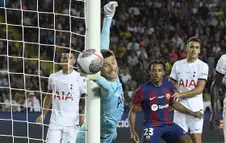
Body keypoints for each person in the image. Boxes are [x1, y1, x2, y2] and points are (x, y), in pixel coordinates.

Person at [76, 2, 124, 143]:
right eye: (106, 66)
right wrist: (89, 71)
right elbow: (100, 81)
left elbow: (104, 47)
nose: (112, 68)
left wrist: (108, 17)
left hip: (110, 133)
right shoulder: (106, 87)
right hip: (94, 137)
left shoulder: (113, 75)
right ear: (100, 68)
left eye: (113, 63)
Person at [128, 60, 203, 143]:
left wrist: (192, 113)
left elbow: (173, 103)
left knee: (188, 142)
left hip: (168, 124)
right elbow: (133, 112)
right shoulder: (141, 90)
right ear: (150, 72)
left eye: (159, 71)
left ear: (163, 72)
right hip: (151, 125)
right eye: (154, 70)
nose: (157, 73)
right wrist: (132, 131)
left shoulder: (169, 86)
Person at [35, 50, 87, 143]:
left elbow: (86, 97)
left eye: (70, 58)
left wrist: (83, 114)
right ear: (60, 60)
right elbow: (49, 96)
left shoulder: (79, 78)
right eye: (64, 58)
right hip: (55, 123)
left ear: (74, 61)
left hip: (72, 124)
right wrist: (43, 114)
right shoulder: (53, 77)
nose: (67, 60)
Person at [169, 37, 209, 143]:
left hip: (196, 107)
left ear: (200, 50)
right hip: (179, 108)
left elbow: (199, 89)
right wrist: (173, 92)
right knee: (179, 140)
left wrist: (180, 94)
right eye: (192, 47)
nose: (194, 50)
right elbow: (170, 84)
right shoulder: (177, 65)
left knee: (196, 140)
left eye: (197, 47)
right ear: (187, 48)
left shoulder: (203, 66)